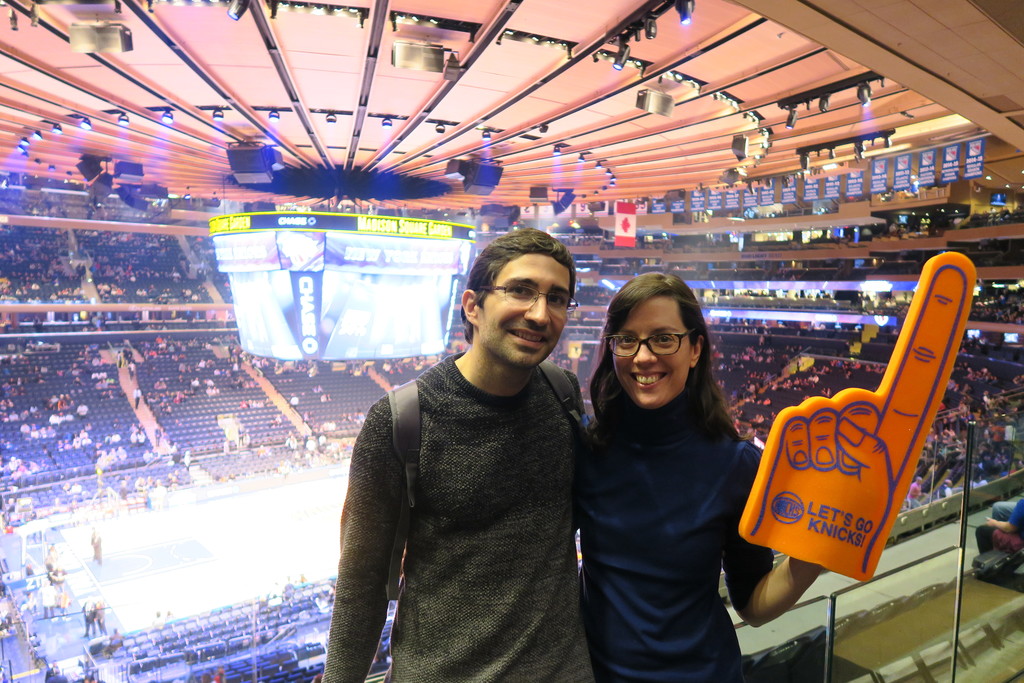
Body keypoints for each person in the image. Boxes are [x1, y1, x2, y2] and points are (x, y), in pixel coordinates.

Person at [323, 228, 593, 682]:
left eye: (557, 298)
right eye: (521, 291)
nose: (540, 313)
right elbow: (361, 585)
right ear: (472, 305)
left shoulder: (563, 394)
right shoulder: (399, 421)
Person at [575, 272, 821, 682]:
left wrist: (815, 553)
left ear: (695, 349)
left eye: (663, 338)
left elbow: (753, 605)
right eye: (627, 339)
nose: (643, 357)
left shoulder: (736, 463)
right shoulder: (588, 449)